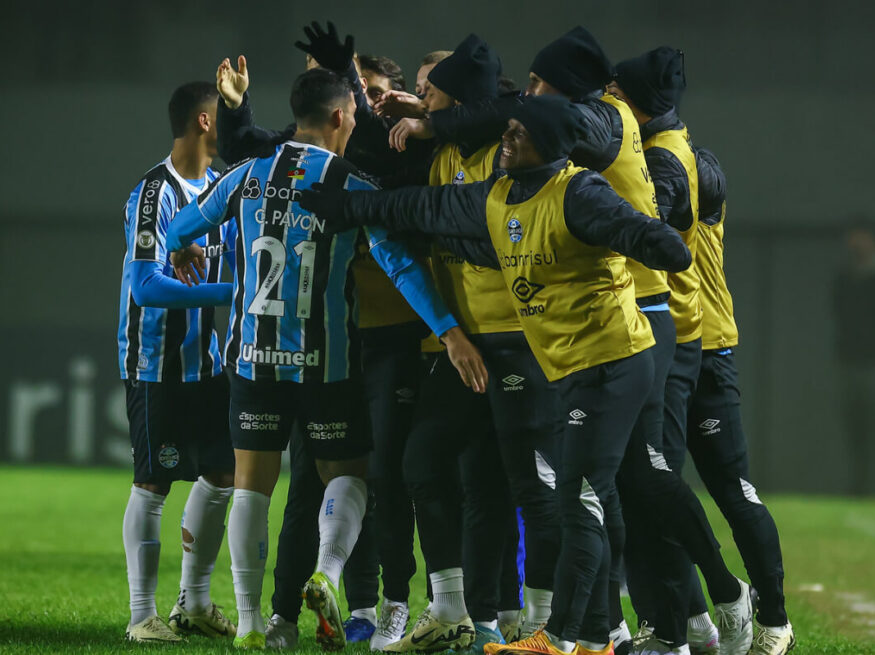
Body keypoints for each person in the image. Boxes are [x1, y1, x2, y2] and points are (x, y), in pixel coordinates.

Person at [299, 93, 754, 655]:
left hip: (612, 364)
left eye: (518, 133)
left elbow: (644, 234)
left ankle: (565, 637)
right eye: (507, 131)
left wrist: (653, 239)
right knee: (637, 483)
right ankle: (692, 608)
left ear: (548, 144)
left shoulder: (578, 194)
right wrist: (351, 208)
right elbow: (421, 207)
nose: (506, 141)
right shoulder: (498, 196)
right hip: (569, 366)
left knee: (579, 495)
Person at [165, 67, 487, 651]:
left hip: (252, 361)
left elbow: (183, 223)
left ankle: (248, 623)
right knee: (350, 476)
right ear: (340, 116)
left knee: (252, 489)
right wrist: (448, 330)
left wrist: (180, 244)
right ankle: (329, 572)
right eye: (355, 115)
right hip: (326, 362)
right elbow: (400, 266)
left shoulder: (243, 175)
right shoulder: (351, 184)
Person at [215, 34, 440, 650]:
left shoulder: (393, 156)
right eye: (354, 93)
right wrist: (236, 109)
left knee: (383, 475)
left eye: (371, 93)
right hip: (325, 344)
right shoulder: (308, 157)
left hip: (388, 337)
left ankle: (382, 604)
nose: (362, 106)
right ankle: (293, 610)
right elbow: (246, 155)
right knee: (315, 488)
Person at [116, 81, 237, 643]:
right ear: (205, 123)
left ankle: (193, 600)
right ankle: (142, 616)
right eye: (225, 116)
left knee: (223, 472)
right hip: (154, 362)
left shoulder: (219, 190)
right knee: (153, 482)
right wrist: (229, 294)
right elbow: (144, 287)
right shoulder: (152, 193)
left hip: (205, 363)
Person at [682, 146, 795, 655]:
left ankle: (773, 618)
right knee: (647, 489)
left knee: (732, 488)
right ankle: (691, 611)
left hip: (705, 349)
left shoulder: (689, 163)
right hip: (648, 350)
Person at [833, 220, 875, 497]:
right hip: (849, 362)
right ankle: (859, 485)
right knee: (855, 428)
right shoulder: (844, 280)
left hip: (872, 364)